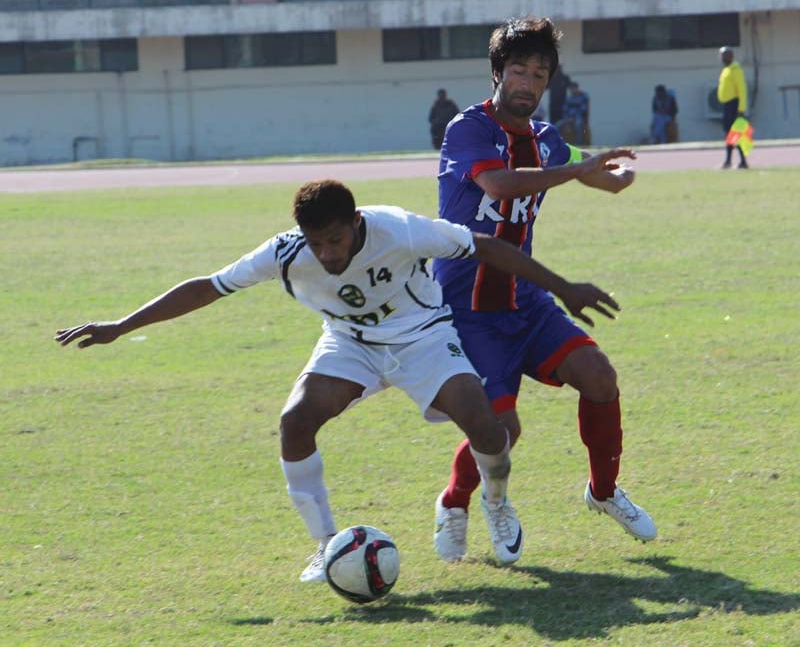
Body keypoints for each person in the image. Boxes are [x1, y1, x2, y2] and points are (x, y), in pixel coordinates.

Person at [55, 178, 622, 580]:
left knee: (490, 424)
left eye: (336, 240)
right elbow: (207, 286)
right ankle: (326, 546)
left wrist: (564, 287)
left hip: (422, 335)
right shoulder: (285, 252)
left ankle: (495, 501)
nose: (327, 254)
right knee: (295, 421)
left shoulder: (397, 228)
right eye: (316, 243)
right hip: (350, 344)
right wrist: (120, 326)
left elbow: (486, 246)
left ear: (356, 223)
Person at [432, 16, 657, 564]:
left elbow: (588, 169)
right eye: (518, 71)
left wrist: (613, 177)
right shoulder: (468, 129)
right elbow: (499, 184)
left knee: (600, 376)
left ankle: (602, 493)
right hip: (469, 310)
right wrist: (574, 170)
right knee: (502, 428)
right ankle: (456, 501)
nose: (528, 83)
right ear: (497, 73)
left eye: (539, 73)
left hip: (524, 299)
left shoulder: (548, 139)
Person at [717, 46, 749, 169]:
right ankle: (728, 161)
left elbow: (741, 90)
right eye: (721, 55)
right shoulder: (727, 69)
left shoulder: (735, 69)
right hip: (727, 105)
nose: (723, 58)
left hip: (734, 105)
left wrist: (741, 109)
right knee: (729, 134)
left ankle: (742, 162)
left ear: (731, 56)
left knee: (736, 133)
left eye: (725, 55)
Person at [562, 80, 590, 145]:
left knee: (578, 125)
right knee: (558, 125)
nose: (572, 90)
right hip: (569, 118)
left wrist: (573, 116)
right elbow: (565, 109)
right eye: (571, 89)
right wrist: (566, 118)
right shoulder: (569, 98)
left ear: (577, 88)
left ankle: (579, 143)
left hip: (578, 117)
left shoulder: (583, 96)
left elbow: (583, 109)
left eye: (573, 88)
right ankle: (561, 143)